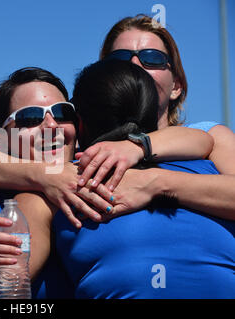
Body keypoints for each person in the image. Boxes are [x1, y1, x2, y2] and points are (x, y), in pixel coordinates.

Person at [0, 67, 212, 299]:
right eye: (30, 118)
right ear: (0, 137)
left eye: (62, 112)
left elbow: (201, 139)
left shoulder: (104, 171)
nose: (51, 125)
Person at [0, 14, 235, 226]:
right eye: (120, 58)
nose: (135, 65)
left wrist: (149, 172)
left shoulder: (207, 136)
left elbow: (201, 141)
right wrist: (48, 176)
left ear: (177, 85)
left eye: (151, 58)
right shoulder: (82, 149)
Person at [52, 59, 234, 298]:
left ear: (81, 123)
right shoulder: (208, 164)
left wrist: (154, 180)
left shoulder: (68, 186)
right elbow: (204, 140)